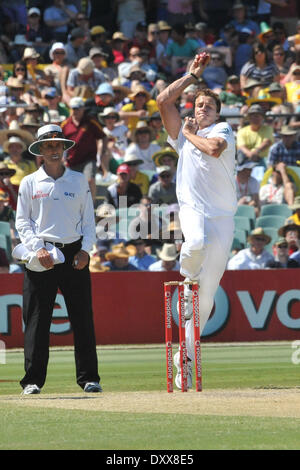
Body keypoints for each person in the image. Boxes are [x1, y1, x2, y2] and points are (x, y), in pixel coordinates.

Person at [157, 52, 237, 389]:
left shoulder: (223, 130)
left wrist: (188, 135)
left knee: (208, 296)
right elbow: (163, 100)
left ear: (217, 113)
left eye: (208, 105)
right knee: (195, 243)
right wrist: (191, 75)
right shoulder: (182, 132)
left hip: (224, 216)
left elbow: (213, 149)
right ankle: (187, 278)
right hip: (193, 209)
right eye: (198, 104)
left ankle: (184, 358)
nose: (202, 108)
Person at [15, 123, 101, 395]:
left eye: (57, 145)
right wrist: (37, 248)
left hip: (74, 251)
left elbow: (88, 220)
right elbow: (22, 222)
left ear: (64, 148)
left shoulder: (78, 180)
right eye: (48, 145)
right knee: (37, 320)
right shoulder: (29, 182)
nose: (53, 150)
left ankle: (89, 378)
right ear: (39, 150)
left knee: (82, 319)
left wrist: (86, 250)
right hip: (42, 255)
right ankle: (32, 381)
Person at [61, 97, 107, 201]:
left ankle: (91, 204)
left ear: (83, 109)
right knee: (70, 186)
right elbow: (60, 142)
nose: (75, 111)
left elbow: (103, 136)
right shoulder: (65, 124)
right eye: (73, 108)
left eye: (78, 108)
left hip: (88, 159)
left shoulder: (90, 121)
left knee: (90, 180)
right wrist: (63, 157)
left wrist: (103, 152)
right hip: (71, 161)